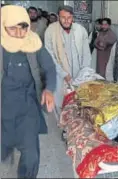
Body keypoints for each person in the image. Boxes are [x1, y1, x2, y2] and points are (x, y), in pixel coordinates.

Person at [1, 5, 56, 178]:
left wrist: (49, 89)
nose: (19, 33)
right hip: (3, 108)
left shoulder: (34, 43)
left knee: (31, 154)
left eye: (23, 27)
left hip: (28, 106)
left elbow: (49, 67)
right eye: (12, 28)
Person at [44, 5, 92, 119]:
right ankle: (64, 128)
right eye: (63, 17)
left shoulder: (80, 30)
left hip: (79, 74)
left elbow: (86, 53)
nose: (66, 20)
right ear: (58, 17)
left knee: (79, 101)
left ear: (73, 17)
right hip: (59, 74)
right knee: (60, 102)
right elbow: (50, 56)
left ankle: (76, 127)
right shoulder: (50, 31)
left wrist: (84, 72)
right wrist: (64, 74)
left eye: (69, 17)